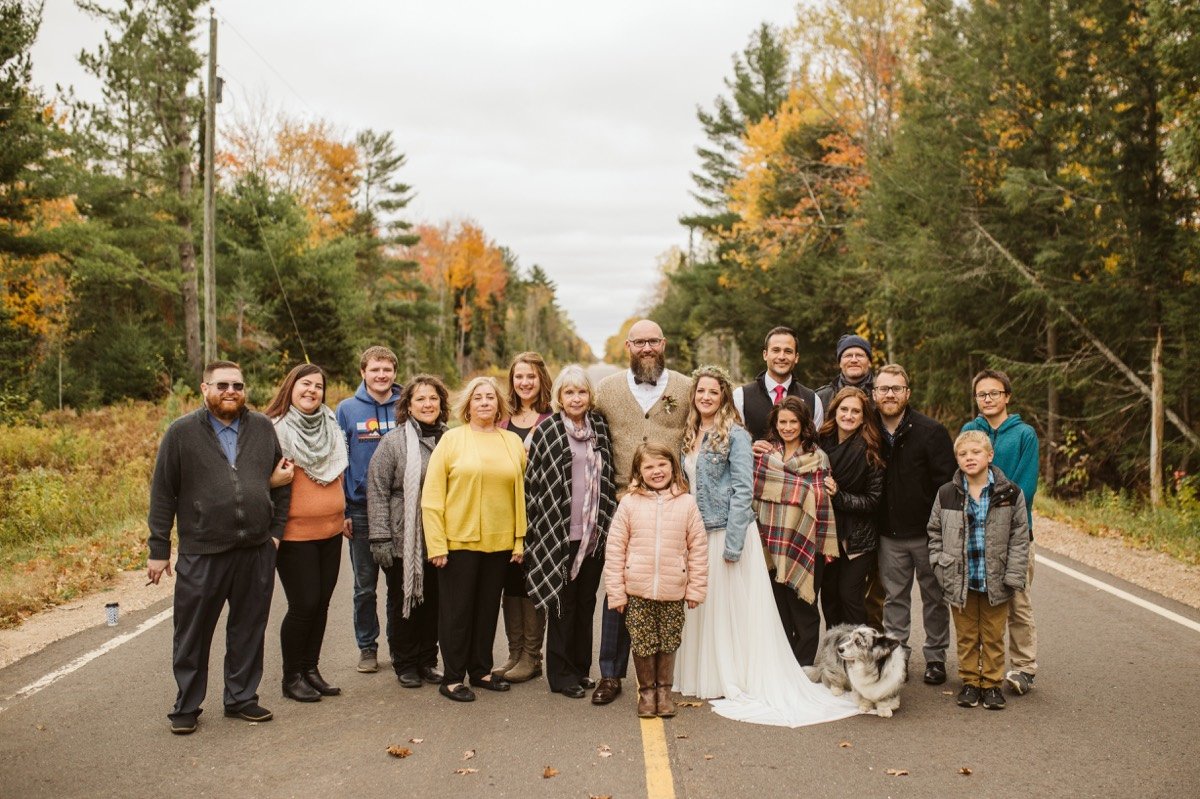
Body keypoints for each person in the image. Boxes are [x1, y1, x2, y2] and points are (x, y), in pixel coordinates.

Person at [674, 367, 859, 727]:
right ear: (694, 396)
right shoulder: (689, 434)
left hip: (727, 532)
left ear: (724, 396)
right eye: (701, 392)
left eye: (714, 392)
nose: (706, 397)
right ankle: (706, 673)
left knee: (731, 611)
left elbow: (745, 490)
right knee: (704, 607)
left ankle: (735, 675)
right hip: (696, 532)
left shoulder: (737, 436)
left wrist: (733, 542)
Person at [147, 360, 291, 735]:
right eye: (223, 385)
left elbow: (283, 476)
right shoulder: (180, 433)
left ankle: (241, 697)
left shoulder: (261, 427)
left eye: (238, 386)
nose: (232, 392)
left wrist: (275, 531)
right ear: (204, 388)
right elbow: (163, 492)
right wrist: (159, 548)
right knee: (193, 633)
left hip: (256, 549)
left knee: (248, 628)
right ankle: (187, 704)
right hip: (203, 551)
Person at [590, 319, 691, 705]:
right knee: (619, 586)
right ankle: (611, 674)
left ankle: (662, 679)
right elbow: (578, 419)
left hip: (671, 503)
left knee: (666, 588)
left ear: (663, 343)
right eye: (639, 342)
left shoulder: (684, 386)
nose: (646, 348)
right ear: (628, 347)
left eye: (653, 341)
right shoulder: (608, 389)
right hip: (622, 502)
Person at [422, 376, 527, 702]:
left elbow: (520, 494)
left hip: (499, 544)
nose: (485, 402)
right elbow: (432, 495)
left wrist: (518, 540)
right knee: (457, 612)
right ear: (468, 405)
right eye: (478, 398)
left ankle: (481, 670)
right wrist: (436, 544)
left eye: (490, 398)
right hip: (459, 543)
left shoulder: (511, 442)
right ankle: (452, 678)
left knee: (485, 612)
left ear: (499, 405)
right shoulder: (452, 440)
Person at [523, 365, 617, 698]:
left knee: (586, 602)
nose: (575, 398)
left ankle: (580, 668)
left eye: (581, 392)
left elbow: (608, 476)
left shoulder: (600, 429)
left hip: (593, 536)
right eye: (569, 392)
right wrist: (532, 533)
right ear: (559, 397)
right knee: (562, 605)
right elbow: (533, 486)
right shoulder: (547, 431)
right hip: (558, 535)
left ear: (589, 396)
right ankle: (560, 676)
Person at [264, 364, 350, 704]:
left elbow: (339, 471)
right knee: (304, 604)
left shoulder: (330, 424)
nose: (312, 390)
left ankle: (311, 669)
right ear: (291, 387)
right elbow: (261, 478)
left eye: (318, 386)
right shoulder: (274, 429)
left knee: (323, 604)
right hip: (294, 533)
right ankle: (292, 676)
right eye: (305, 384)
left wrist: (343, 512)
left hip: (330, 529)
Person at [603, 444, 708, 718]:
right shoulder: (628, 503)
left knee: (669, 641)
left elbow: (698, 548)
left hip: (674, 590)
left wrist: (695, 588)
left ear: (673, 467)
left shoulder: (686, 503)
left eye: (662, 465)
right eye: (648, 467)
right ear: (638, 471)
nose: (656, 471)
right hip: (637, 591)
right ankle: (647, 693)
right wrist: (616, 593)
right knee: (642, 641)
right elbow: (615, 549)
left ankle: (664, 691)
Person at [928, 431, 1030, 710]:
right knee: (967, 635)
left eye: (975, 452)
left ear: (989, 456)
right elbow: (934, 531)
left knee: (993, 634)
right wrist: (939, 563)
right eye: (963, 454)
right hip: (960, 578)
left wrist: (1014, 575)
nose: (969, 458)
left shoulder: (1010, 493)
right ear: (957, 459)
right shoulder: (947, 493)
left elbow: (1020, 537)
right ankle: (971, 682)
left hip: (995, 578)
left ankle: (992, 684)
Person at [873, 364, 956, 685]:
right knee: (895, 599)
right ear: (875, 393)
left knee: (935, 597)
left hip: (927, 535)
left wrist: (944, 533)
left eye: (896, 388)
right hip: (888, 534)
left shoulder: (931, 431)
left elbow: (947, 486)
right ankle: (898, 657)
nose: (889, 394)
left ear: (907, 393)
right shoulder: (868, 431)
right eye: (883, 389)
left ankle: (936, 658)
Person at [365, 374, 450, 689]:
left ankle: (428, 660)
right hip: (404, 538)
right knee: (405, 601)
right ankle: (406, 663)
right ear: (408, 406)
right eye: (420, 399)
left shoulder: (450, 439)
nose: (428, 404)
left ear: (441, 404)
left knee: (434, 603)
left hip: (441, 537)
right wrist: (380, 537)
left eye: (433, 399)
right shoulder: (394, 442)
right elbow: (377, 490)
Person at [961, 369, 1040, 696]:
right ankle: (982, 667)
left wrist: (997, 514)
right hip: (975, 532)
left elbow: (1025, 486)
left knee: (1016, 600)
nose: (988, 399)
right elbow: (962, 473)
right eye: (982, 394)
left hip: (1014, 533)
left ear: (1007, 396)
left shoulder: (1024, 435)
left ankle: (1024, 667)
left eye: (994, 393)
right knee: (978, 602)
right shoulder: (969, 431)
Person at [753, 396, 838, 667]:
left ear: (804, 425)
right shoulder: (766, 455)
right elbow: (756, 495)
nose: (787, 427)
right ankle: (783, 667)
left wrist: (803, 493)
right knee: (779, 610)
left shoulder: (817, 457)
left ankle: (803, 667)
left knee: (805, 610)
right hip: (772, 541)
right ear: (775, 424)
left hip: (805, 541)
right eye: (782, 422)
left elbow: (820, 501)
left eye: (793, 422)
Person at [336, 345, 403, 674]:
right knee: (365, 585)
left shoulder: (407, 405)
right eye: (375, 369)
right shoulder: (347, 410)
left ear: (394, 372)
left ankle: (398, 644)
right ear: (363, 372)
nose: (381, 375)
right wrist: (343, 509)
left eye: (387, 369)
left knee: (399, 584)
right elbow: (339, 462)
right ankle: (367, 647)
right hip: (361, 509)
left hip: (400, 508)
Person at [815, 333, 882, 626]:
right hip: (827, 532)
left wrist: (839, 496)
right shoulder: (820, 444)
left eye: (856, 411)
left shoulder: (870, 452)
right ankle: (835, 656)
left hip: (857, 536)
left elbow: (873, 499)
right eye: (844, 409)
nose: (849, 415)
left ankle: (861, 659)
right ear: (835, 410)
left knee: (851, 596)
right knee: (829, 596)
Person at [495, 352, 553, 684]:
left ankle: (532, 657)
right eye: (519, 376)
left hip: (538, 513)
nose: (524, 382)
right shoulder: (503, 418)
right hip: (505, 513)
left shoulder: (549, 418)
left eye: (530, 376)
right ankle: (514, 653)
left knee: (532, 583)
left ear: (540, 379)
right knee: (510, 583)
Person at [733, 326, 823, 440]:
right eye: (776, 350)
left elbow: (814, 446)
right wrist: (751, 448)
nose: (781, 357)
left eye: (788, 351)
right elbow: (734, 444)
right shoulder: (741, 397)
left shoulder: (813, 400)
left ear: (796, 357)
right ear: (765, 355)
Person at [815, 333, 876, 410]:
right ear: (840, 363)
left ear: (869, 362)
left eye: (859, 355)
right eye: (848, 356)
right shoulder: (822, 397)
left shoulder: (882, 393)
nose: (854, 360)